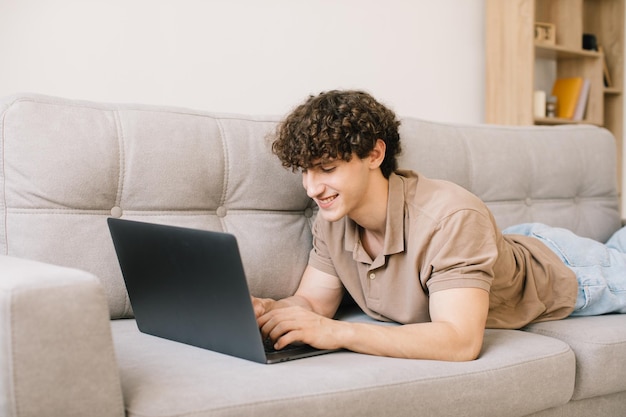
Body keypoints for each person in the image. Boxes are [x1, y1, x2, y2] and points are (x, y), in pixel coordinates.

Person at [252, 90, 626, 361]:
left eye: (328, 169)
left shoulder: (451, 217)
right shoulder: (333, 218)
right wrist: (268, 312)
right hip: (500, 247)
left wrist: (340, 333)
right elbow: (313, 302)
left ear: (374, 154)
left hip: (567, 268)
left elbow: (460, 341)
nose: (312, 187)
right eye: (306, 170)